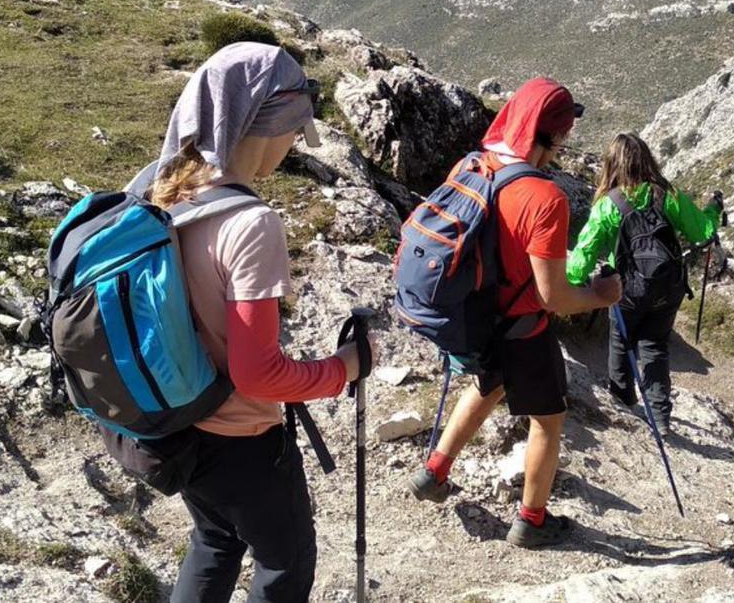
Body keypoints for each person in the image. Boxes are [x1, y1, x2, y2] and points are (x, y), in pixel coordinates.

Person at [151, 42, 376, 603]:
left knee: (215, 539)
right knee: (285, 560)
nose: (296, 143)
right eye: (296, 129)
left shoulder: (166, 195)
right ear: (267, 124)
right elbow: (257, 374)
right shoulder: (251, 223)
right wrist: (343, 370)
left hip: (178, 425)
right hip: (242, 437)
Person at [407, 77, 623, 548]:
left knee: (487, 384)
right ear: (554, 136)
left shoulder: (474, 164)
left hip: (477, 315)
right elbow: (553, 297)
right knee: (548, 419)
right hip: (523, 327)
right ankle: (531, 519)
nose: (567, 140)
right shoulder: (546, 199)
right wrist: (600, 296)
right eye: (564, 131)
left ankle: (434, 472)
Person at [566, 132, 721, 436]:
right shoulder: (666, 194)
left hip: (626, 292)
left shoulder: (608, 205)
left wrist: (573, 286)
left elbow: (582, 257)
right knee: (654, 346)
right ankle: (660, 417)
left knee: (621, 342)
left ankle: (623, 400)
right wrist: (714, 209)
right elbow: (703, 232)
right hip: (667, 288)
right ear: (647, 159)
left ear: (611, 164)